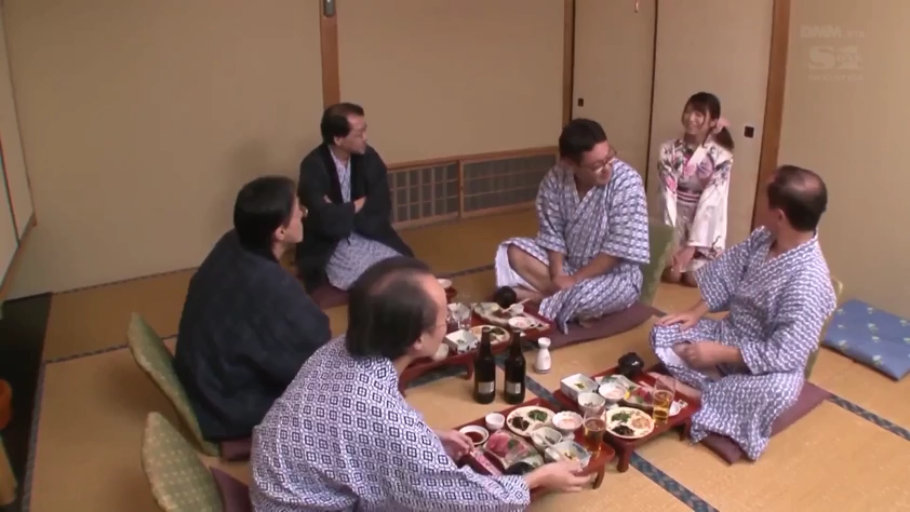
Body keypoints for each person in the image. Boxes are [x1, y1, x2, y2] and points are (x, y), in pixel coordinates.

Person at [251, 257, 590, 511]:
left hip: (277, 481)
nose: (449, 320)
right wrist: (537, 478)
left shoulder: (339, 347)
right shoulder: (387, 419)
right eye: (444, 317)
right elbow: (456, 497)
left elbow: (355, 432)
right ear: (417, 340)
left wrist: (430, 437)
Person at [650, 165, 837, 460]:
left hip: (766, 366)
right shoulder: (764, 238)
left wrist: (719, 353)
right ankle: (717, 387)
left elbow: (784, 355)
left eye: (763, 197)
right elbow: (728, 275)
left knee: (779, 391)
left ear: (780, 216)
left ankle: (698, 393)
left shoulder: (809, 281)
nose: (757, 202)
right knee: (663, 330)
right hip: (730, 333)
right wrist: (695, 313)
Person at [174, 176, 331, 442]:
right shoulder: (272, 286)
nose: (304, 214)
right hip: (226, 404)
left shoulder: (233, 241)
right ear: (280, 232)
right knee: (331, 395)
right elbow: (316, 350)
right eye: (298, 210)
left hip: (203, 375)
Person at [493, 119, 651, 333]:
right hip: (568, 265)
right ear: (570, 164)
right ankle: (563, 303)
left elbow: (619, 248)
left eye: (609, 157)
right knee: (513, 251)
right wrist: (558, 274)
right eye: (597, 166)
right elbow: (552, 232)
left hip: (614, 276)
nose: (607, 169)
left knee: (583, 296)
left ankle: (536, 298)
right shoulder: (555, 179)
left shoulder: (627, 182)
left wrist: (575, 279)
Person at [295, 102, 414, 293]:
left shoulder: (368, 156)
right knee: (370, 281)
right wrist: (355, 205)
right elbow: (321, 217)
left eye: (364, 130)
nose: (365, 138)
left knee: (405, 268)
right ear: (338, 139)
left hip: (368, 232)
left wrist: (340, 211)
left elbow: (381, 201)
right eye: (359, 134)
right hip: (332, 242)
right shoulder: (313, 165)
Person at [658, 92, 735, 287]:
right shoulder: (668, 150)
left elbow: (711, 201)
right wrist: (672, 239)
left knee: (694, 279)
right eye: (688, 111)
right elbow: (667, 194)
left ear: (713, 122)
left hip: (705, 223)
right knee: (672, 275)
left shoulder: (722, 157)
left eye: (699, 114)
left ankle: (698, 257)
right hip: (677, 216)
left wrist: (692, 247)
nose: (690, 118)